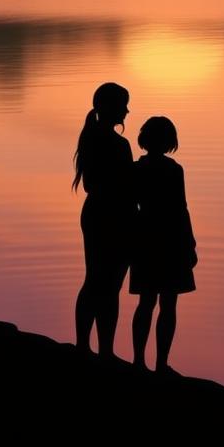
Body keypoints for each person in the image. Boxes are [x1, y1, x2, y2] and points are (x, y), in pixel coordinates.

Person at [73, 82, 136, 358]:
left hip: (95, 212)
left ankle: (84, 346)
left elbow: (89, 184)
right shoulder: (118, 145)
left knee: (94, 280)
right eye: (123, 105)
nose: (127, 110)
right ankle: (105, 351)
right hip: (114, 216)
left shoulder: (89, 137)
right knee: (110, 285)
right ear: (111, 107)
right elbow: (127, 188)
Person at [131, 116, 197, 372]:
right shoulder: (173, 170)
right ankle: (161, 364)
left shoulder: (136, 169)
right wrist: (190, 243)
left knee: (146, 301)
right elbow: (181, 209)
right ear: (171, 141)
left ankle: (139, 361)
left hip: (145, 237)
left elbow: (132, 204)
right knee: (168, 304)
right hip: (171, 239)